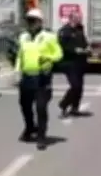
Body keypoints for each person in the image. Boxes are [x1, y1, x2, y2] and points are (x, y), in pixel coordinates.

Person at [15, 9, 63, 149]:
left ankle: (41, 136)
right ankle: (30, 128)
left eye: (33, 20)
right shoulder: (23, 37)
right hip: (27, 77)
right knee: (25, 106)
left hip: (42, 77)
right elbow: (20, 55)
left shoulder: (49, 37)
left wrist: (48, 57)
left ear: (40, 22)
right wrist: (17, 72)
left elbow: (59, 54)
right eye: (28, 20)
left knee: (40, 108)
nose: (30, 23)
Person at [57, 11, 90, 117]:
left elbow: (84, 42)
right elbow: (62, 46)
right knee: (75, 86)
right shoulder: (65, 31)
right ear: (72, 18)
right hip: (69, 63)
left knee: (80, 88)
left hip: (80, 63)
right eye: (78, 18)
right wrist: (75, 50)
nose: (80, 19)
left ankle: (75, 108)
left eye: (80, 17)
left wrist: (87, 48)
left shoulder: (80, 29)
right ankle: (64, 104)